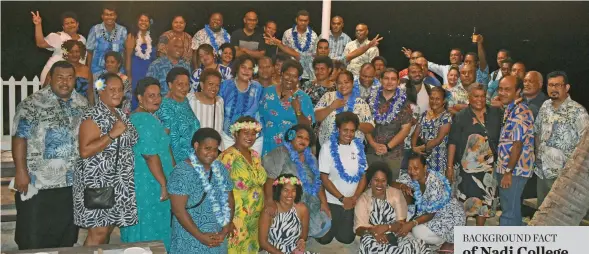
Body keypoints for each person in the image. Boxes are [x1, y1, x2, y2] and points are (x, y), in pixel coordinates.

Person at [12, 61, 88, 250]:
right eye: (60, 77)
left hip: (71, 182)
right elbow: (19, 138)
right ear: (50, 78)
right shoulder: (32, 103)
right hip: (38, 182)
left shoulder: (82, 104)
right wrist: (21, 171)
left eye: (70, 77)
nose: (65, 82)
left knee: (66, 236)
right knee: (33, 236)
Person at [74, 72, 138, 245]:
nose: (117, 93)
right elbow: (85, 151)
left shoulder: (121, 114)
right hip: (98, 183)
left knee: (108, 229)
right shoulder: (92, 116)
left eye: (120, 89)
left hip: (118, 183)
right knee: (99, 232)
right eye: (112, 89)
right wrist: (111, 134)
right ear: (100, 91)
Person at [120, 77, 173, 249]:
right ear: (140, 98)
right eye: (151, 96)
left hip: (141, 182)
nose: (156, 99)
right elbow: (150, 156)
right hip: (150, 184)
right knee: (150, 230)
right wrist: (164, 184)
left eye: (158, 95)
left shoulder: (138, 117)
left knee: (141, 226)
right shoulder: (145, 120)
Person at [167, 128, 235, 253]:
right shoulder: (182, 172)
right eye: (207, 148)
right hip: (190, 238)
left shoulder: (220, 168)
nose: (212, 153)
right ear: (196, 145)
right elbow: (178, 211)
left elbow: (229, 198)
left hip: (217, 237)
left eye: (215, 149)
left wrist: (226, 227)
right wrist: (200, 236)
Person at [262, 125, 331, 239]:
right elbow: (269, 180)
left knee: (326, 226)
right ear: (291, 136)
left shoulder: (312, 158)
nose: (303, 141)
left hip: (310, 201)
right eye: (300, 137)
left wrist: (324, 203)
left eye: (307, 139)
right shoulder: (280, 153)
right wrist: (269, 201)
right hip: (286, 201)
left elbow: (317, 183)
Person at [447, 83, 502, 226]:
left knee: (484, 202)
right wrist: (449, 166)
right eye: (476, 96)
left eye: (483, 96)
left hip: (488, 169)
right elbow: (452, 141)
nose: (480, 99)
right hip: (466, 170)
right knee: (464, 202)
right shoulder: (461, 116)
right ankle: (462, 235)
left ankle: (478, 233)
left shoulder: (496, 114)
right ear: (469, 97)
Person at [535, 71, 589, 206]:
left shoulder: (578, 112)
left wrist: (573, 173)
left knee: (559, 218)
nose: (553, 89)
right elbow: (537, 131)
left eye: (558, 85)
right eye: (551, 85)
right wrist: (537, 155)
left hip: (564, 176)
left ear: (567, 87)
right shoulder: (545, 106)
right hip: (542, 173)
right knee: (542, 216)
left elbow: (586, 145)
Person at [354, 162, 429, 254]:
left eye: (383, 180)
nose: (380, 184)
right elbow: (359, 230)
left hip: (396, 232)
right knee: (370, 245)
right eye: (376, 180)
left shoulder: (396, 194)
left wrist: (387, 227)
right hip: (372, 234)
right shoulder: (363, 199)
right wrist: (373, 231)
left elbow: (402, 224)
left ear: (387, 182)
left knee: (416, 244)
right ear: (370, 181)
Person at [317, 112, 368, 245]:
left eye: (352, 131)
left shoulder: (359, 147)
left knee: (346, 238)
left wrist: (355, 197)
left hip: (352, 200)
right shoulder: (327, 147)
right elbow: (324, 178)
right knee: (324, 239)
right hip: (333, 200)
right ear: (338, 129)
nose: (349, 134)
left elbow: (363, 176)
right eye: (345, 130)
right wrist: (341, 198)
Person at [218, 116, 267, 253]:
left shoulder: (255, 155)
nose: (250, 137)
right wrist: (227, 220)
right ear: (235, 134)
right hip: (237, 216)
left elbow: (261, 183)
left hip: (255, 216)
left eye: (253, 133)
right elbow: (218, 189)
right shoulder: (227, 157)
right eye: (246, 133)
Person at [399, 153, 465, 250]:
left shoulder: (435, 182)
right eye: (409, 168)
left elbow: (431, 214)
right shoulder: (412, 175)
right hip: (427, 213)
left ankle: (444, 241)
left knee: (417, 231)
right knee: (401, 214)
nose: (412, 171)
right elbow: (392, 183)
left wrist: (411, 223)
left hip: (447, 217)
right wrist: (402, 186)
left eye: (416, 168)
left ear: (425, 168)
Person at [495, 75, 535, 226]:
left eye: (507, 89)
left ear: (518, 91)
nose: (502, 93)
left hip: (514, 170)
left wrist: (508, 172)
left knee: (508, 213)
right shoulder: (511, 109)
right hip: (508, 168)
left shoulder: (521, 112)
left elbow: (517, 145)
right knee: (512, 210)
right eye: (500, 89)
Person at [259, 60, 315, 156]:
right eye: (287, 74)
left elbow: (307, 127)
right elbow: (260, 117)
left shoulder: (303, 98)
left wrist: (298, 110)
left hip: (291, 150)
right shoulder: (268, 92)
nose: (290, 79)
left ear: (299, 79)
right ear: (281, 73)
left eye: (294, 76)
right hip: (267, 146)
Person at [365, 68, 412, 181]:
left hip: (393, 154)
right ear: (380, 80)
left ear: (398, 81)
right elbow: (364, 124)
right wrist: (373, 143)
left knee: (390, 187)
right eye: (386, 78)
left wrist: (387, 147)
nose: (389, 82)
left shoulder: (405, 102)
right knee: (370, 185)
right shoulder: (370, 99)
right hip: (372, 151)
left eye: (393, 79)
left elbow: (406, 129)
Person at [315, 70, 375, 146]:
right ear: (336, 84)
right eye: (339, 83)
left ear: (352, 83)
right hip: (327, 147)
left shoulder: (362, 103)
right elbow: (315, 117)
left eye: (346, 82)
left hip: (354, 151)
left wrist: (354, 124)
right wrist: (331, 107)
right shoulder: (328, 97)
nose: (343, 85)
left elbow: (370, 128)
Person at [219, 54, 264, 153]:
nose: (246, 71)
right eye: (243, 67)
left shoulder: (257, 87)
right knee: (229, 166)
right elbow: (219, 110)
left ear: (253, 71)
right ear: (237, 68)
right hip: (228, 135)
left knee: (252, 167)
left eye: (250, 68)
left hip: (253, 137)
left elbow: (261, 111)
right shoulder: (225, 86)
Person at [155, 67, 201, 163]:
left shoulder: (185, 101)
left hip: (192, 160)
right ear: (170, 85)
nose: (185, 88)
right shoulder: (163, 106)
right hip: (175, 162)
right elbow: (163, 140)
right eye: (180, 84)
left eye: (187, 84)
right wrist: (173, 166)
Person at [259, 174, 312, 254]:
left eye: (293, 190)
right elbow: (263, 242)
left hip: (294, 250)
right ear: (279, 191)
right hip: (274, 252)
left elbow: (304, 233)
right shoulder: (269, 211)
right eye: (286, 190)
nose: (290, 194)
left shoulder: (302, 209)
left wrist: (301, 241)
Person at [32, 11, 86, 85]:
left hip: (72, 76)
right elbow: (40, 43)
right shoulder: (58, 36)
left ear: (77, 24)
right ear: (63, 27)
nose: (70, 25)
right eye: (67, 23)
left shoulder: (83, 39)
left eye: (72, 22)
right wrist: (38, 25)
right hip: (53, 74)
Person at [411, 87, 452, 174]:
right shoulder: (424, 114)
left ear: (444, 101)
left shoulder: (446, 117)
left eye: (437, 99)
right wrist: (414, 147)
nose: (434, 101)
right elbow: (416, 133)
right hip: (421, 159)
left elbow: (438, 139)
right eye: (432, 98)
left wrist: (420, 148)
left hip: (438, 160)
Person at [124, 13, 156, 111]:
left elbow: (154, 59)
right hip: (135, 72)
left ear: (149, 23)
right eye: (141, 20)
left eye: (146, 20)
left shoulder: (153, 38)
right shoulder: (131, 36)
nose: (143, 22)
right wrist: (129, 74)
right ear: (137, 22)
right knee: (135, 96)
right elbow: (128, 56)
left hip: (148, 72)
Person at [86, 6, 128, 79]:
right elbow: (90, 52)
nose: (109, 17)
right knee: (99, 90)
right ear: (102, 16)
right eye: (106, 14)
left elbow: (125, 52)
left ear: (115, 16)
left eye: (111, 14)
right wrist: (89, 72)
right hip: (97, 71)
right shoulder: (95, 29)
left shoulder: (122, 30)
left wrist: (126, 70)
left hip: (118, 72)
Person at [281, 10, 318, 82]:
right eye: (301, 20)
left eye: (305, 20)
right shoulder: (287, 33)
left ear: (308, 21)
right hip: (290, 72)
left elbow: (315, 55)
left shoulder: (314, 35)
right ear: (296, 20)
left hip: (307, 74)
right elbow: (283, 52)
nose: (303, 23)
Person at [187, 69, 225, 140]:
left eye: (217, 85)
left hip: (215, 148)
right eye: (210, 84)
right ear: (202, 84)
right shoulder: (189, 99)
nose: (214, 88)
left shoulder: (220, 101)